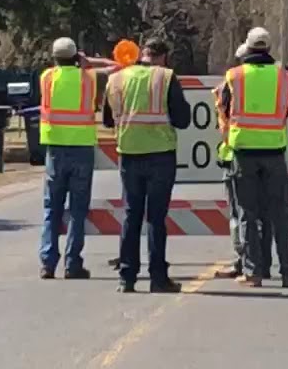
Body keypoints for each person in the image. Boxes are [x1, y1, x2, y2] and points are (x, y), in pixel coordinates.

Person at [103, 38, 192, 293]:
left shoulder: (118, 79)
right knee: (156, 218)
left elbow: (108, 120)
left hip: (129, 152)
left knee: (131, 215)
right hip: (160, 154)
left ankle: (127, 277)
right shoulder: (166, 77)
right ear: (163, 56)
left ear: (143, 54)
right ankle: (158, 278)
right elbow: (183, 119)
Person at [219, 27, 288, 289]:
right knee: (279, 214)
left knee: (248, 213)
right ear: (268, 48)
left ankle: (253, 272)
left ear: (247, 47)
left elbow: (224, 109)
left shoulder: (234, 76)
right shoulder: (285, 77)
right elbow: (286, 111)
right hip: (275, 152)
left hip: (243, 152)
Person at [38, 37, 102, 280]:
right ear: (76, 56)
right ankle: (72, 263)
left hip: (55, 148)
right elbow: (118, 66)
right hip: (82, 148)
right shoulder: (88, 78)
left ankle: (47, 262)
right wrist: (87, 62)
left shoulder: (47, 78)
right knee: (77, 209)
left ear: (54, 57)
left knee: (51, 208)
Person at [214, 44, 273, 280]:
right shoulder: (272, 81)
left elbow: (225, 115)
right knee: (264, 213)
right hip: (270, 151)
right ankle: (263, 264)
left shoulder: (232, 83)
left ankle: (246, 262)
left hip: (236, 153)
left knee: (241, 214)